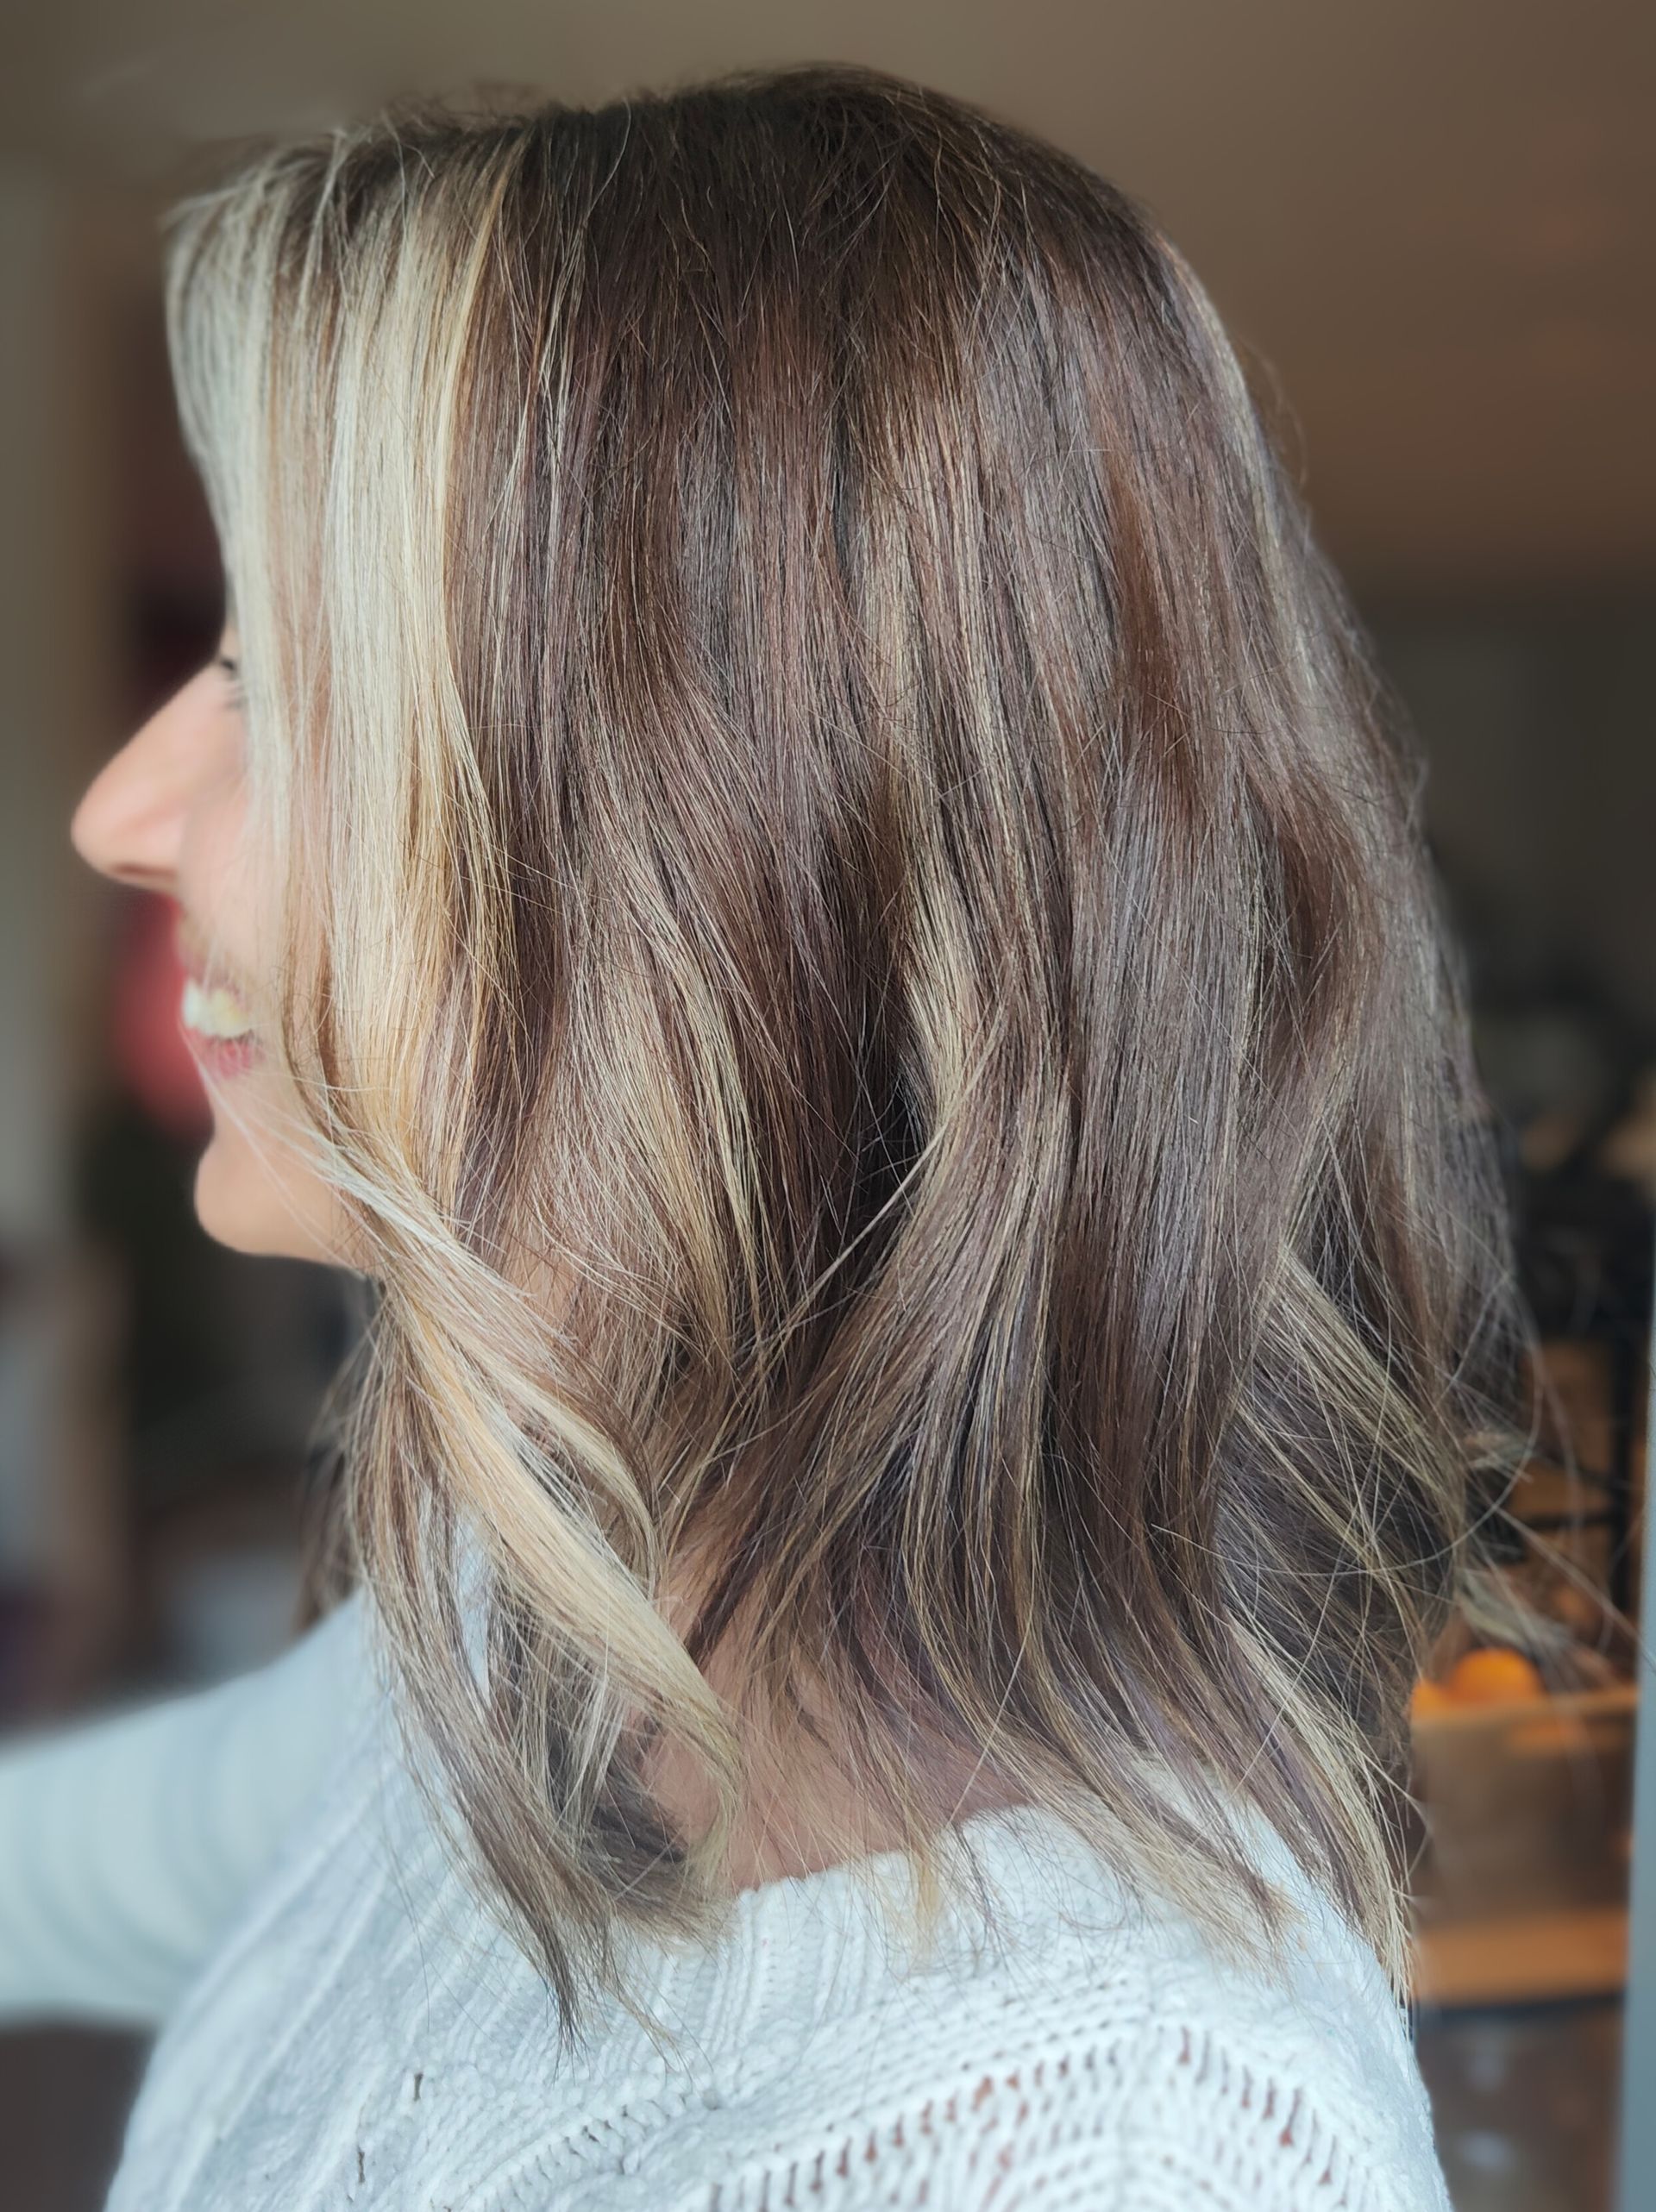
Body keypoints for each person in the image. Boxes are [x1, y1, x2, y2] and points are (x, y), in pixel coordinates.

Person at [3, 60, 1534, 2208]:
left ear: (720, 862)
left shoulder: (1112, 2154)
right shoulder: (563, 1577)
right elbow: (90, 1857)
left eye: (282, 679)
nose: (120, 811)